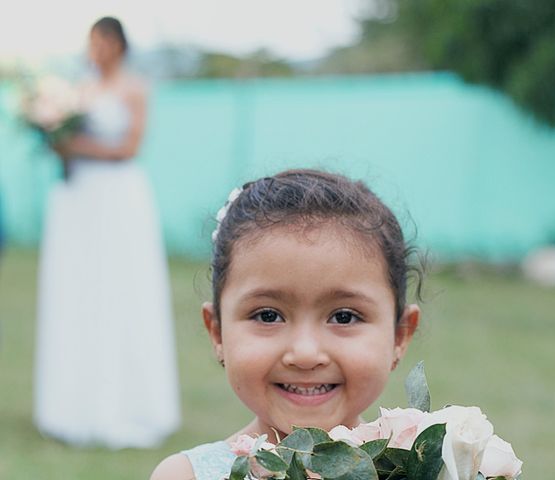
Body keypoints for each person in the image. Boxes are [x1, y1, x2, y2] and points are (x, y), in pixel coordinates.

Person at [150, 169, 422, 479]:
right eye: (268, 316)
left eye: (344, 317)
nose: (305, 354)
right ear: (217, 330)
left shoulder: (437, 469)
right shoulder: (185, 475)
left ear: (400, 334)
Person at [33, 16, 180, 449]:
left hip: (118, 199)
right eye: (90, 41)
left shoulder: (135, 87)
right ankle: (71, 404)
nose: (95, 49)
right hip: (76, 200)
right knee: (76, 289)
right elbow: (63, 134)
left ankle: (127, 402)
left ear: (117, 44)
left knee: (121, 288)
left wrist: (73, 145)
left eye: (101, 41)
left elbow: (129, 147)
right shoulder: (76, 90)